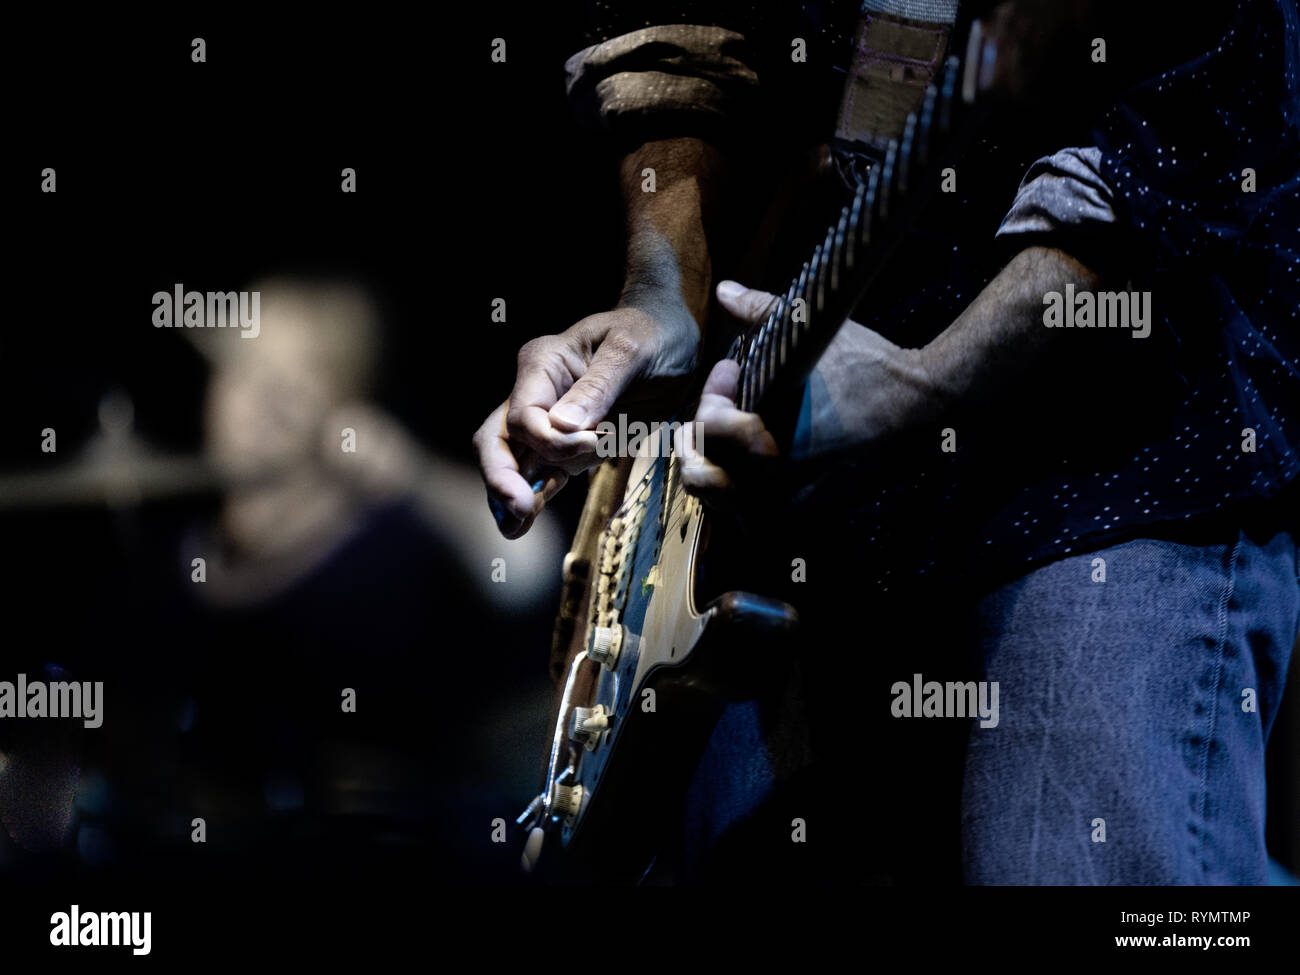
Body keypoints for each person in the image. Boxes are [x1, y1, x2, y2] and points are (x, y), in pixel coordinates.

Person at [474, 0, 1300, 883]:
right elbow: (680, 36)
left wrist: (934, 376)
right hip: (791, 489)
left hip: (1113, 455)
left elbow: (1188, 122)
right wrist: (660, 287)